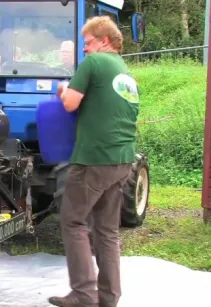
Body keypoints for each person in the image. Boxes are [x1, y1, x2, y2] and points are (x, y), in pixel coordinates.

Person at [48, 16, 140, 307]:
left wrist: (63, 90)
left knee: (73, 221)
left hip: (93, 160)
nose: (84, 49)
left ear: (104, 41)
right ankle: (109, 297)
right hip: (122, 160)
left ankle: (83, 295)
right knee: (106, 230)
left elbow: (71, 103)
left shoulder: (94, 64)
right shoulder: (125, 72)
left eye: (88, 42)